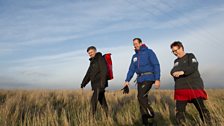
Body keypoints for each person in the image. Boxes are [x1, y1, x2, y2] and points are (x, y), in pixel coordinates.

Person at [170, 41, 211, 125]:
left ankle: (208, 124)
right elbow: (173, 71)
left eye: (176, 50)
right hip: (180, 89)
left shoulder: (190, 56)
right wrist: (173, 73)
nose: (174, 53)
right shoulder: (176, 61)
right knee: (179, 112)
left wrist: (182, 72)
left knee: (201, 109)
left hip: (194, 87)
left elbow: (193, 67)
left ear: (181, 48)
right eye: (173, 51)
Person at [123, 38, 161, 126]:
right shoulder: (134, 56)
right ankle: (146, 123)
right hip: (140, 79)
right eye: (134, 44)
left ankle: (151, 114)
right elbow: (131, 69)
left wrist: (157, 79)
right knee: (142, 100)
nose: (135, 45)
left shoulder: (149, 52)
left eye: (136, 43)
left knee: (140, 96)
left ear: (141, 43)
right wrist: (127, 80)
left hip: (149, 77)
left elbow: (156, 65)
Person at [81, 46, 108, 116]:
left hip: (100, 84)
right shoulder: (92, 62)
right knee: (102, 101)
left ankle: (91, 118)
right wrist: (83, 83)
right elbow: (88, 74)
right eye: (89, 53)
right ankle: (107, 116)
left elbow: (104, 70)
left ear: (95, 51)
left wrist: (103, 83)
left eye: (91, 52)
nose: (90, 54)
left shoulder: (100, 58)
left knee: (93, 101)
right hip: (95, 85)